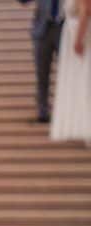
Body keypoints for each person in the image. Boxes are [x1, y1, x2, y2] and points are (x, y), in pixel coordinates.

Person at [20, 0, 66, 123]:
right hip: (42, 30)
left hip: (65, 28)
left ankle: (66, 111)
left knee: (68, 74)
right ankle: (42, 111)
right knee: (42, 73)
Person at [51, 0, 91, 141]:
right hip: (73, 29)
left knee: (84, 80)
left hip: (80, 33)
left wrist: (78, 39)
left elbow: (85, 10)